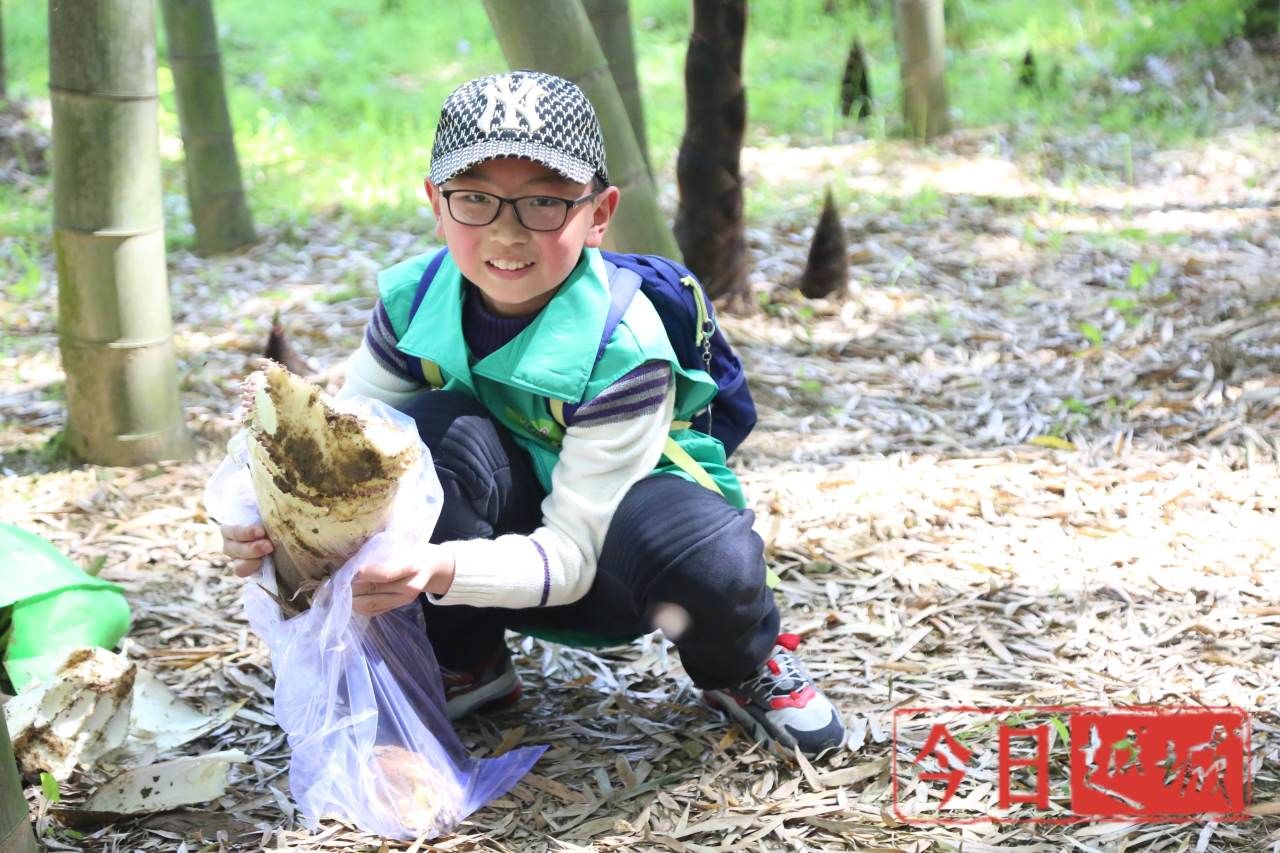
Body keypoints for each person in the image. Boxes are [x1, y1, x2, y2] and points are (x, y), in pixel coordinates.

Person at [220, 71, 846, 756]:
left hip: (616, 562)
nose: (508, 234)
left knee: (710, 559)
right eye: (476, 199)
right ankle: (468, 660)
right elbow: (343, 473)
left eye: (544, 202)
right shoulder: (411, 305)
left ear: (599, 213)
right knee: (415, 438)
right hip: (480, 559)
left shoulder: (623, 339)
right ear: (436, 202)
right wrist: (271, 533)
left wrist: (432, 571)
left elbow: (575, 553)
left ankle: (740, 663)